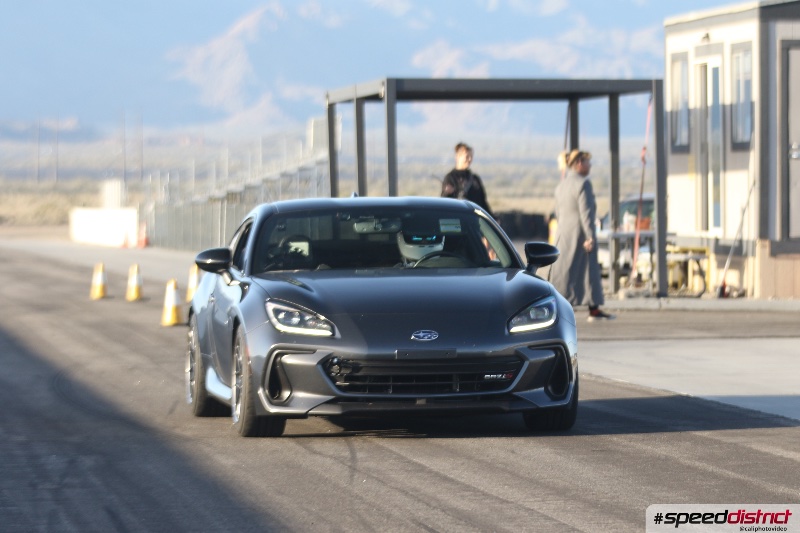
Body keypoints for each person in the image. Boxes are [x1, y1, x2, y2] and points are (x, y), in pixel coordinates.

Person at [549, 149, 615, 321]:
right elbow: (586, 213)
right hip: (580, 234)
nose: (589, 165)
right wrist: (590, 236)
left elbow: (557, 211)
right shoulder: (583, 184)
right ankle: (593, 309)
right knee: (588, 271)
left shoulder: (561, 186)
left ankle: (557, 304)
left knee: (565, 271)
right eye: (587, 161)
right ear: (579, 163)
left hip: (563, 233)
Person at [441, 142, 493, 217]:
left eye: (471, 156)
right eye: (467, 156)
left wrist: (492, 218)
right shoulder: (450, 178)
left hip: (473, 221)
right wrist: (447, 193)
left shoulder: (475, 179)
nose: (469, 159)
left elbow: (483, 203)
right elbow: (444, 204)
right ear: (458, 157)